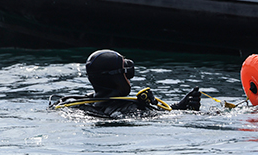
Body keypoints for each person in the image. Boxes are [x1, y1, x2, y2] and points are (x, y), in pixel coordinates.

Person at [50, 50, 201, 118]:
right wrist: (184, 111)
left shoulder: (75, 103)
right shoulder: (130, 109)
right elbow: (163, 120)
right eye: (126, 73)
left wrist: (176, 106)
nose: (129, 78)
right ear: (116, 78)